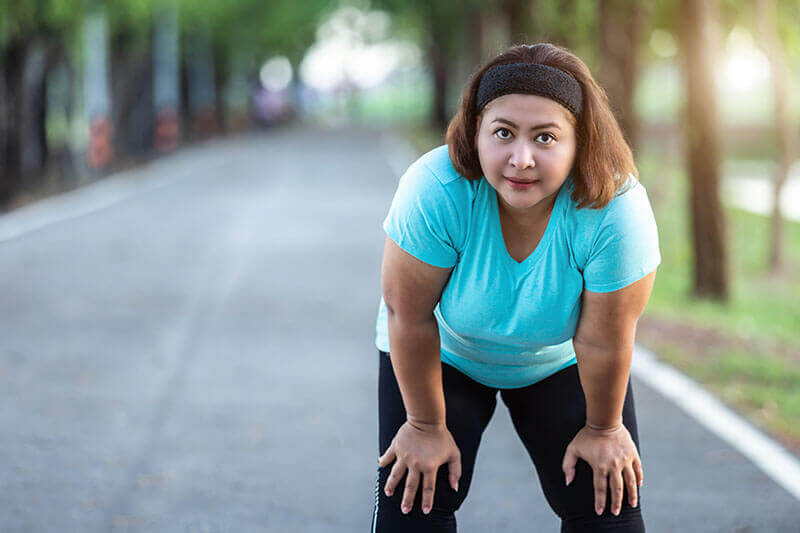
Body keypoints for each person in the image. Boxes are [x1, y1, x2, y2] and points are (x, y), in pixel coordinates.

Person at [371, 42, 660, 532]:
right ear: (476, 132)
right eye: (503, 133)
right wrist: (423, 426)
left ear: (579, 142)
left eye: (545, 138)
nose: (520, 159)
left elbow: (603, 338)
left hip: (559, 360)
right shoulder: (437, 188)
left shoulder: (615, 208)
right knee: (416, 500)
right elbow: (408, 314)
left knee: (607, 505)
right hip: (445, 354)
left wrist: (605, 429)